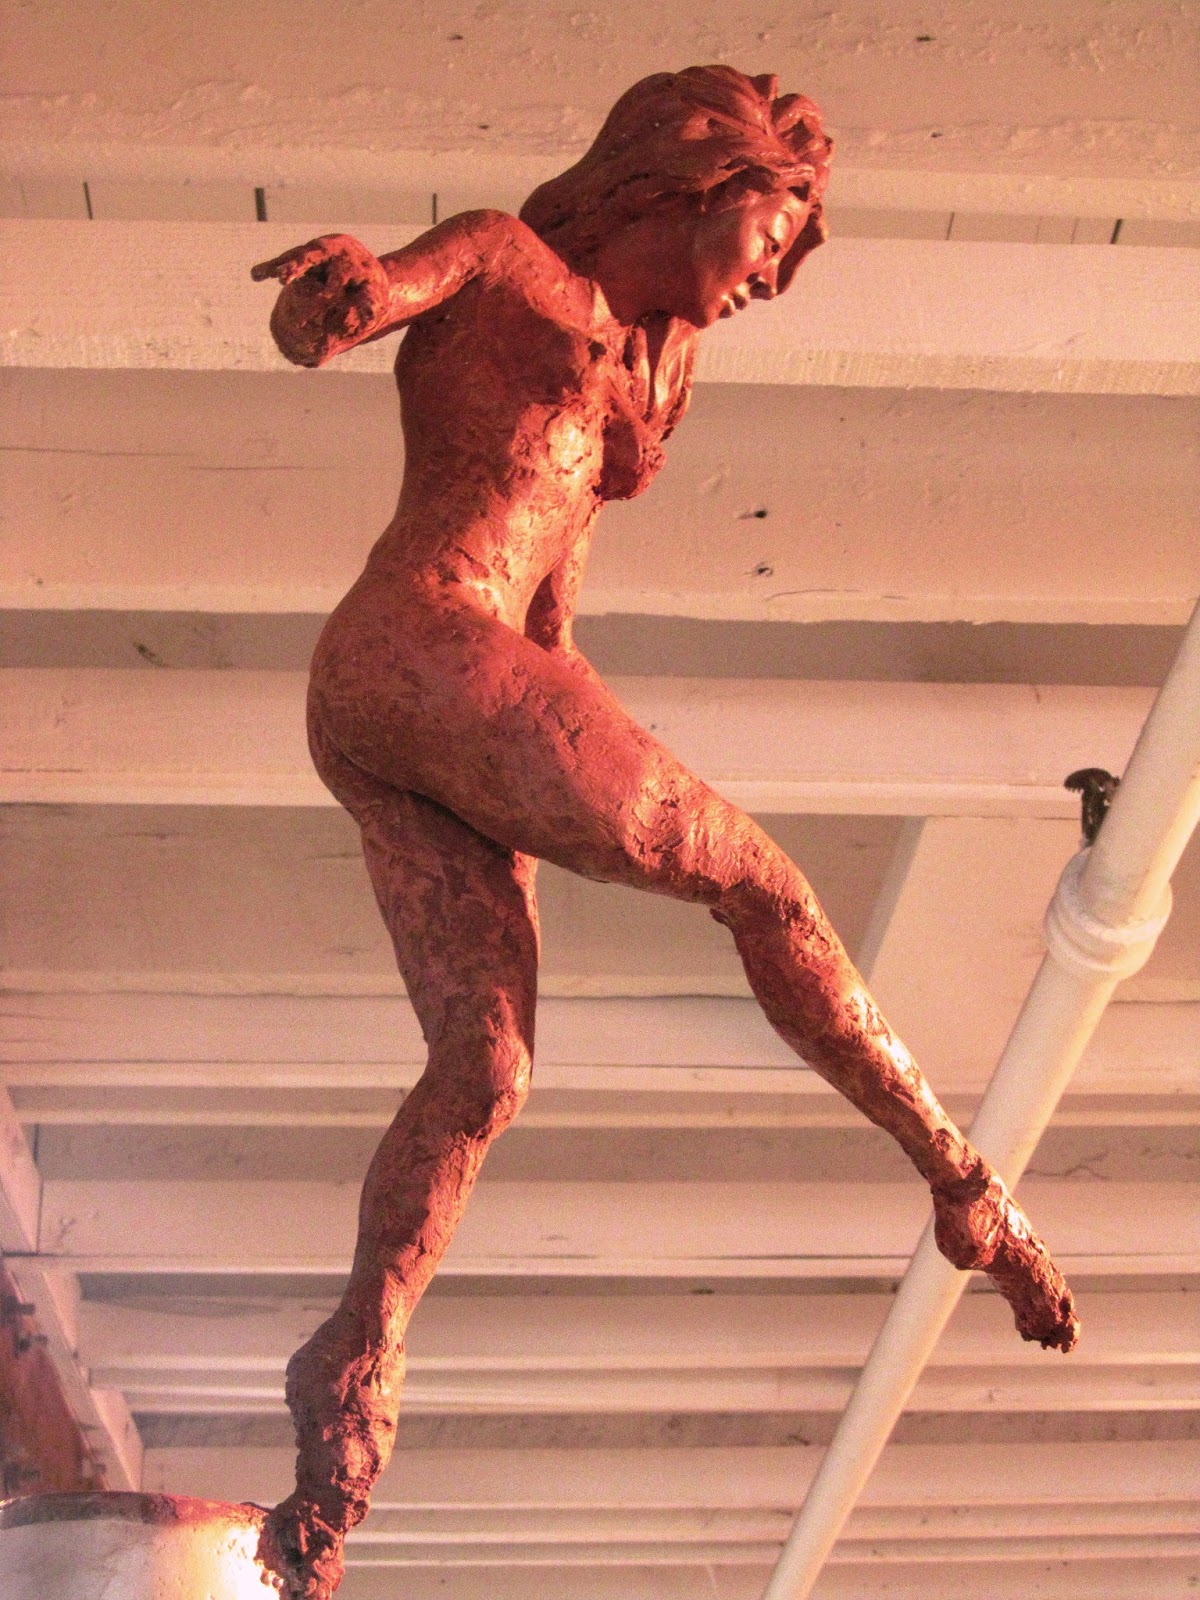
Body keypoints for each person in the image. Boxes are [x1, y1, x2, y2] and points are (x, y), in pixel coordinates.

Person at [252, 65, 1078, 1599]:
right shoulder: (507, 259)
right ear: (697, 183)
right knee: (768, 887)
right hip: (427, 644)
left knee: (486, 1072)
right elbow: (362, 306)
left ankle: (345, 1409)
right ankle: (964, 1184)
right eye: (777, 229)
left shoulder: (625, 383)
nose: (777, 271)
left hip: (400, 698)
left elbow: (551, 622)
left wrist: (578, 736)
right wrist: (332, 299)